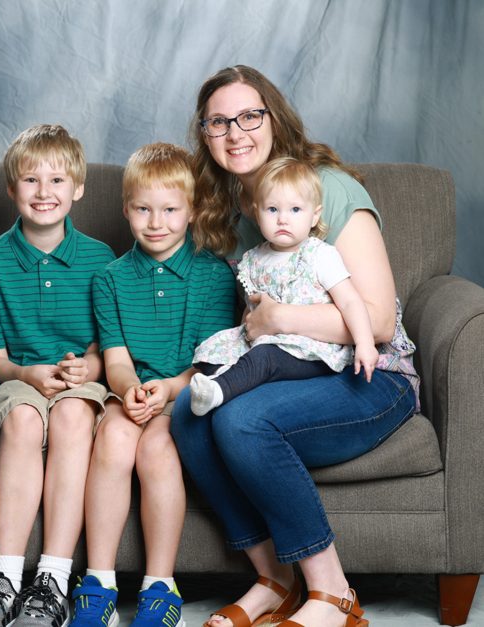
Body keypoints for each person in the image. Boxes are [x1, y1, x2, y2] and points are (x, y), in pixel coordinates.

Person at [171, 65, 419, 627]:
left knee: (244, 422)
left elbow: (377, 321)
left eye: (249, 116)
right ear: (205, 135)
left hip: (372, 373)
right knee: (188, 414)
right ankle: (273, 580)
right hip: (290, 370)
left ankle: (334, 595)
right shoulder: (236, 214)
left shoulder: (326, 187)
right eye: (218, 122)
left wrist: (282, 315)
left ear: (274, 119)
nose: (236, 133)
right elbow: (249, 326)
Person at [71, 143, 236, 627]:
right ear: (126, 210)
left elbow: (211, 363)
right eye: (143, 209)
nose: (156, 222)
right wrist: (129, 392)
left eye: (169, 210)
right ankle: (98, 581)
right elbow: (116, 361)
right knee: (115, 436)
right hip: (135, 395)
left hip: (187, 395)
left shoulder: (214, 275)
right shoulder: (109, 279)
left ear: (192, 211)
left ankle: (160, 586)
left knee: (157, 449)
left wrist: (168, 389)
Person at [0, 124, 116, 627]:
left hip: (82, 381)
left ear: (78, 188)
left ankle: (51, 579)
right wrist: (25, 372)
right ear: (12, 189)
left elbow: (105, 344)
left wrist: (88, 366)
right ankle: (4, 580)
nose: (44, 193)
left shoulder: (99, 259)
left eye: (57, 180)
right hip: (16, 377)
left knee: (73, 418)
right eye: (31, 180)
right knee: (24, 422)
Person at [189, 156, 379, 417]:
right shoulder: (253, 259)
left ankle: (220, 390)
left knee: (266, 356)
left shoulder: (318, 255)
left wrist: (365, 343)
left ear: (315, 215)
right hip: (266, 339)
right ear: (257, 213)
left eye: (295, 210)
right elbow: (252, 307)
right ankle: (219, 377)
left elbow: (350, 302)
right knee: (213, 351)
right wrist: (247, 329)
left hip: (311, 349)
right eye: (273, 210)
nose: (283, 220)